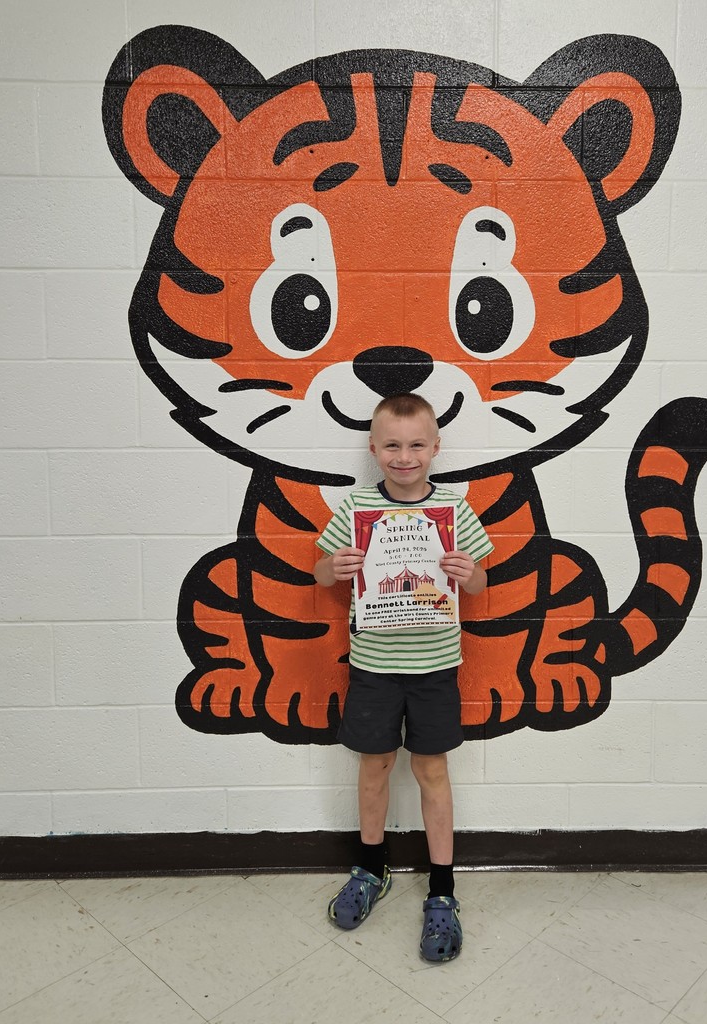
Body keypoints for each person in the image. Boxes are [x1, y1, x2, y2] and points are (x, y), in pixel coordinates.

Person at [314, 392, 493, 962]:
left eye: (416, 444)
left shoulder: (456, 511)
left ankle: (442, 890)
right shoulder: (357, 508)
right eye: (392, 444)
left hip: (436, 667)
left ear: (435, 448)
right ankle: (371, 869)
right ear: (373, 448)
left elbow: (481, 584)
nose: (404, 455)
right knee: (375, 768)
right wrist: (333, 568)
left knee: (432, 771)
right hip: (374, 667)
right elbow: (321, 572)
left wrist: (469, 574)